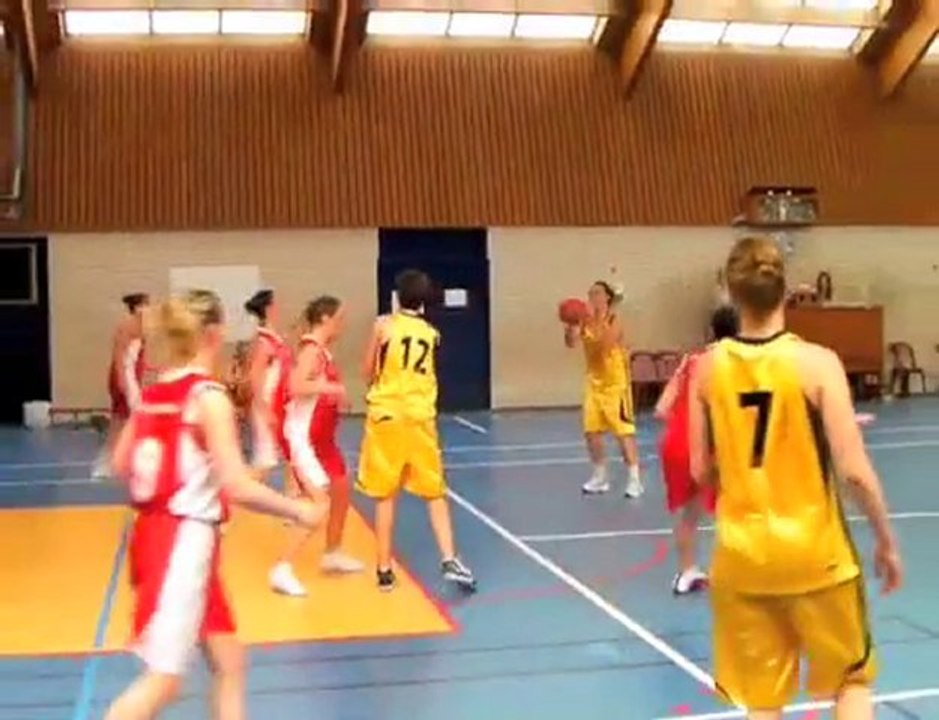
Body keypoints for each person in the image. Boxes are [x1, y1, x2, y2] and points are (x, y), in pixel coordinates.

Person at [689, 236, 903, 719]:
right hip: (817, 555)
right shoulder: (818, 364)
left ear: (730, 292)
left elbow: (700, 470)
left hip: (743, 557)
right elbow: (854, 472)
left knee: (763, 702)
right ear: (785, 291)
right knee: (851, 681)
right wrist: (886, 541)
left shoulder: (706, 369)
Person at [103, 290, 321, 720]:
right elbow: (239, 485)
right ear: (215, 334)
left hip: (156, 537)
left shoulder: (155, 392)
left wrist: (170, 475)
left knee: (229, 662)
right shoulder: (208, 398)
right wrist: (298, 510)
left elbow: (120, 461)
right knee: (163, 680)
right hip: (181, 543)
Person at [357, 269, 476, 592]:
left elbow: (367, 372)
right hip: (420, 417)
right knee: (434, 492)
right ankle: (449, 557)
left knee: (386, 494)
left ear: (397, 296)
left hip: (388, 415)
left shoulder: (384, 327)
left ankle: (383, 569)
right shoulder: (431, 334)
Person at [270, 295, 363, 596]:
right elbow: (295, 387)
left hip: (324, 439)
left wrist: (334, 395)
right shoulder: (311, 350)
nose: (343, 324)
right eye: (339, 317)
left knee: (340, 489)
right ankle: (282, 568)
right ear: (324, 318)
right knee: (319, 502)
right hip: (303, 439)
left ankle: (332, 552)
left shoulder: (323, 352)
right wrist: (330, 387)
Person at [655, 305, 738, 595]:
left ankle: (687, 572)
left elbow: (661, 409)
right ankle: (736, 572)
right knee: (735, 508)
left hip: (675, 443)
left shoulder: (691, 361)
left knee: (690, 514)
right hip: (706, 443)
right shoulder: (735, 363)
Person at [563, 280, 642, 498]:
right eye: (590, 294)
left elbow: (604, 346)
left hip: (615, 383)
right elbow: (571, 343)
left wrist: (589, 325)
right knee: (591, 432)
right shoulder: (585, 320)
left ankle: (635, 479)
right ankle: (600, 476)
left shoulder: (614, 320)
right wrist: (571, 325)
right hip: (593, 382)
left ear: (607, 297)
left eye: (597, 293)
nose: (593, 298)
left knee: (623, 433)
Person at [94, 292, 150, 479]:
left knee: (122, 421)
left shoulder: (142, 327)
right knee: (132, 419)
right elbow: (119, 356)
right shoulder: (127, 326)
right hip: (125, 376)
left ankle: (109, 463)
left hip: (132, 376)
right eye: (146, 304)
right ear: (137, 307)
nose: (149, 308)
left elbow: (138, 357)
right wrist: (122, 381)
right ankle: (111, 463)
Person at [244, 289, 290, 481]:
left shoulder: (274, 338)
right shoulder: (264, 342)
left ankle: (293, 497)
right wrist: (265, 410)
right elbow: (255, 377)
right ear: (269, 308)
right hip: (266, 403)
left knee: (286, 455)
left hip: (279, 401)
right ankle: (232, 494)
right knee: (264, 460)